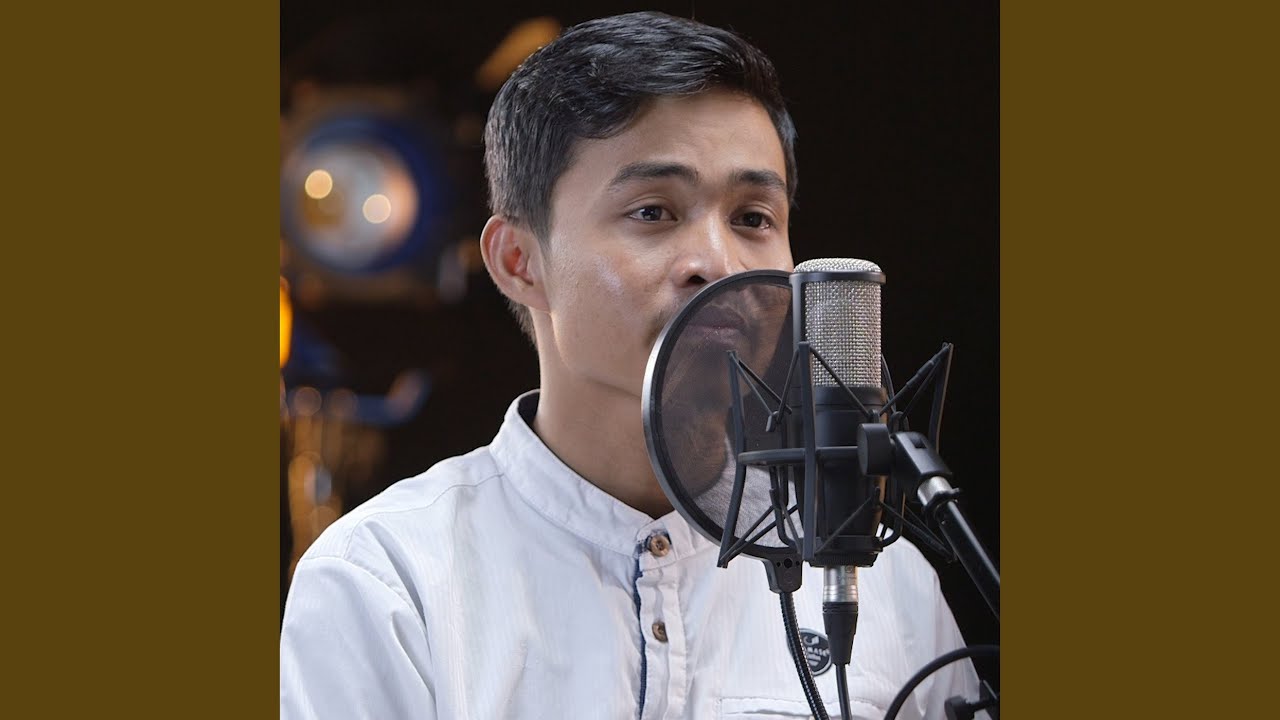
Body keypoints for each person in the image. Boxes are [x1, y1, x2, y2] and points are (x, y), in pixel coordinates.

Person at [281, 11, 985, 719]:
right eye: (653, 212)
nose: (716, 263)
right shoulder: (388, 582)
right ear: (519, 261)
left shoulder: (885, 586)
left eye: (752, 218)